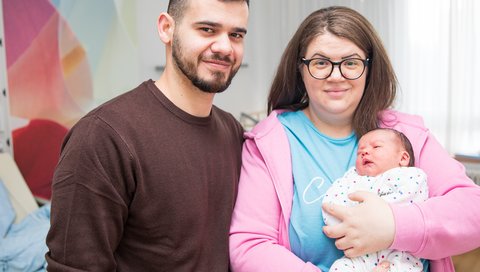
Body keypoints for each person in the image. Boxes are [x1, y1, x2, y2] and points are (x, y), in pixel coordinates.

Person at [229, 6, 480, 272]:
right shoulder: (269, 143)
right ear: (300, 69)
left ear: (370, 68)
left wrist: (393, 226)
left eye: (350, 63)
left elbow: (473, 211)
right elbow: (250, 246)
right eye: (321, 63)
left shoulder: (406, 136)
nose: (336, 76)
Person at [46, 0, 249, 270]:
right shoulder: (103, 137)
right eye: (207, 29)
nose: (225, 47)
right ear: (166, 28)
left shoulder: (231, 132)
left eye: (236, 35)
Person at [323, 128, 428, 271]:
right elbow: (331, 205)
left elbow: (409, 200)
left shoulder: (409, 176)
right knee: (340, 267)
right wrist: (345, 222)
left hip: (398, 253)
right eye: (360, 152)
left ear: (403, 158)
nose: (365, 152)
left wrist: (373, 214)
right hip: (359, 255)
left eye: (376, 147)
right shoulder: (351, 180)